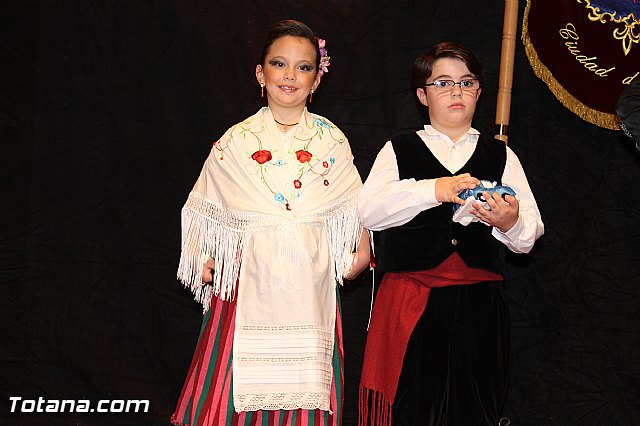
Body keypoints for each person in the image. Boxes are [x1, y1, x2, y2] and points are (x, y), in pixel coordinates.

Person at [171, 20, 370, 426]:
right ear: (261, 74)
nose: (290, 76)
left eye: (303, 67)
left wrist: (362, 250)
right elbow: (201, 208)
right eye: (280, 64)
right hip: (247, 285)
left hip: (310, 285)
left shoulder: (332, 140)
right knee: (230, 389)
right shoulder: (237, 140)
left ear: (317, 79)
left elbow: (356, 206)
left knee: (306, 387)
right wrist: (202, 257)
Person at [357, 42, 544, 426]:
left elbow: (530, 234)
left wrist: (508, 223)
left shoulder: (501, 156)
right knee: (411, 409)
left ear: (478, 92)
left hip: (480, 305)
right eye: (443, 83)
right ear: (423, 96)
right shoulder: (397, 150)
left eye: (466, 82)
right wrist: (435, 189)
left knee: (475, 409)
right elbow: (368, 211)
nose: (456, 91)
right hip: (412, 300)